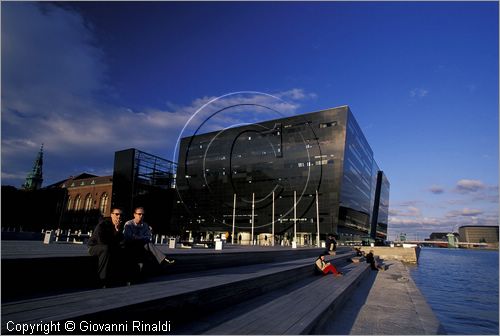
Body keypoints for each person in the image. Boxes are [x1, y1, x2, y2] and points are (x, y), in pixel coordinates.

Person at [88, 208, 129, 287]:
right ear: (111, 215)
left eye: (121, 215)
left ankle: (123, 277)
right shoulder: (103, 224)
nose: (119, 216)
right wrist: (116, 234)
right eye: (116, 214)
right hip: (94, 247)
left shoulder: (119, 226)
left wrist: (117, 231)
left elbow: (122, 242)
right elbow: (102, 241)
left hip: (109, 247)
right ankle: (102, 279)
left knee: (124, 250)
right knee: (106, 249)